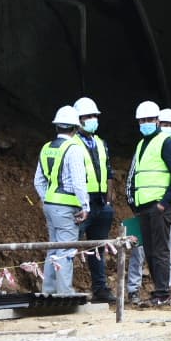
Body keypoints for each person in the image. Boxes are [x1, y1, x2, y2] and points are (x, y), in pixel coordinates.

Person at [127, 100, 171, 307]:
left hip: (159, 206)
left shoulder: (166, 142)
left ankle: (163, 293)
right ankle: (159, 292)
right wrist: (136, 204)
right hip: (145, 207)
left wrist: (164, 203)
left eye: (149, 120)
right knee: (151, 251)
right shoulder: (141, 144)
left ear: (157, 121)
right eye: (141, 120)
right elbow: (137, 175)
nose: (145, 123)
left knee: (161, 251)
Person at [33, 104, 88, 295]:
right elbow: (79, 182)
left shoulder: (46, 148)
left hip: (50, 205)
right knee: (65, 251)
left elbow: (38, 180)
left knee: (53, 248)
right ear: (75, 128)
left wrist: (46, 197)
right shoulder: (74, 149)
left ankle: (48, 290)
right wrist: (85, 205)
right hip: (67, 206)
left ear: (57, 127)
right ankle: (64, 292)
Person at [72, 96, 117, 304]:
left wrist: (108, 200)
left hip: (100, 202)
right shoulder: (72, 143)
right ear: (77, 120)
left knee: (97, 248)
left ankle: (100, 289)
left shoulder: (100, 142)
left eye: (94, 116)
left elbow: (108, 171)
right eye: (87, 116)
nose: (92, 120)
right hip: (81, 202)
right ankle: (62, 287)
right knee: (70, 245)